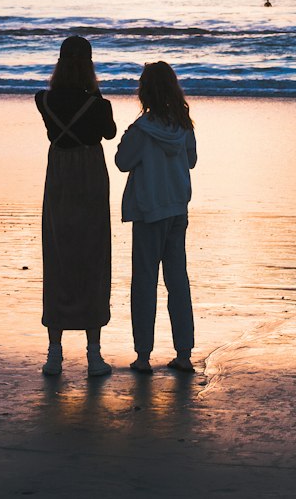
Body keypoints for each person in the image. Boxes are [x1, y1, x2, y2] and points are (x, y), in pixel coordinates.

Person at [35, 35, 116, 377]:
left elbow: (55, 130)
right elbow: (109, 133)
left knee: (58, 256)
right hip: (90, 176)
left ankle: (54, 353)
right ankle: (93, 355)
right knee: (92, 258)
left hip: (59, 177)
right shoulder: (99, 104)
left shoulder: (44, 100)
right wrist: (95, 94)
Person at [114, 60, 198, 373]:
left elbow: (122, 161)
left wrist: (129, 137)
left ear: (144, 92)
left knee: (145, 282)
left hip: (149, 211)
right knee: (178, 280)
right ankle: (184, 352)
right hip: (177, 208)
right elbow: (191, 161)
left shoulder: (142, 130)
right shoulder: (183, 126)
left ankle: (143, 355)